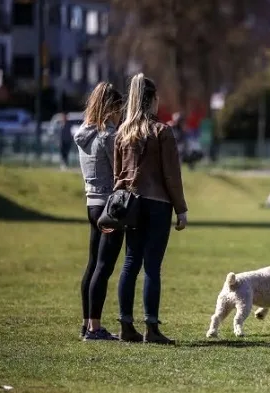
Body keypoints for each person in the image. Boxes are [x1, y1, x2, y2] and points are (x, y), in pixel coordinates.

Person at [114, 74, 188, 344]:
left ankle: (125, 324)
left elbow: (117, 173)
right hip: (158, 204)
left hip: (131, 203)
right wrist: (181, 209)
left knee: (130, 263)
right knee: (152, 268)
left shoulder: (123, 132)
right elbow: (171, 175)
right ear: (153, 100)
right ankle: (152, 328)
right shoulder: (162, 132)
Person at [74, 82, 125, 341]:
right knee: (104, 267)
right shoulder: (108, 136)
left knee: (93, 263)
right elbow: (121, 171)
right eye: (119, 109)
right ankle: (95, 328)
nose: (121, 114)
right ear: (111, 108)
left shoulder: (84, 134)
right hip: (110, 207)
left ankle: (86, 323)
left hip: (91, 203)